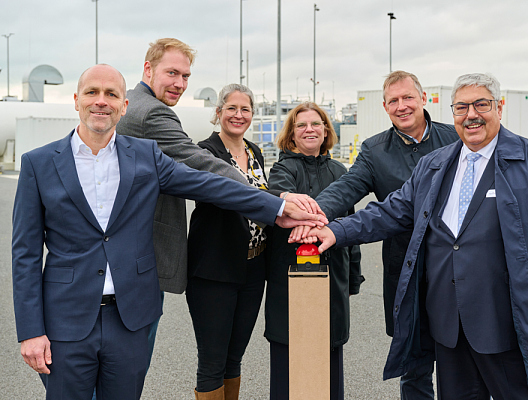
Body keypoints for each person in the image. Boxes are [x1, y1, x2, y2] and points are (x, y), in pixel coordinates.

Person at [12, 64, 325, 400]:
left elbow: (210, 184)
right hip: (66, 323)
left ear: (124, 106)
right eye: (92, 92)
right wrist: (31, 331)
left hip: (129, 321)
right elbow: (26, 255)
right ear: (76, 100)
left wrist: (276, 207)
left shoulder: (146, 156)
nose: (101, 102)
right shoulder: (39, 164)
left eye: (111, 94)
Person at [300, 73, 528, 398]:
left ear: (499, 107)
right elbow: (392, 211)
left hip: (506, 324)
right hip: (449, 325)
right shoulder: (436, 164)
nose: (471, 114)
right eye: (461, 107)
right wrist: (334, 229)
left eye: (481, 104)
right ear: (453, 112)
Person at [115, 38, 315, 372]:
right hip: (147, 258)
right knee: (126, 367)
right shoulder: (151, 113)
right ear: (148, 69)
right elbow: (203, 165)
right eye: (172, 73)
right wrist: (274, 203)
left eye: (186, 76)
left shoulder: (254, 150)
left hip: (234, 265)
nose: (180, 83)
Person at [303, 70, 458, 399]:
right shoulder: (375, 150)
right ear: (385, 107)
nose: (402, 106)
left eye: (407, 98)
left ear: (423, 98)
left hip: (455, 270)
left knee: (458, 365)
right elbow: (346, 188)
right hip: (406, 270)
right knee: (414, 366)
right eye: (393, 101)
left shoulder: (455, 139)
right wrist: (312, 213)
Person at [186, 84, 304, 399]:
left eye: (245, 109)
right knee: (212, 360)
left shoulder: (255, 152)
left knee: (234, 356)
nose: (239, 115)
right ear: (218, 112)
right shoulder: (204, 152)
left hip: (253, 268)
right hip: (214, 270)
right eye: (232, 108)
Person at [265, 102, 363, 400]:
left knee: (328, 356)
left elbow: (351, 225)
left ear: (325, 131)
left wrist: (353, 278)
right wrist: (313, 217)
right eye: (302, 125)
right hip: (291, 279)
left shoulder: (340, 171)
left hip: (334, 277)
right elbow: (283, 205)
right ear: (291, 135)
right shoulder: (282, 169)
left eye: (316, 124)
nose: (310, 129)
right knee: (289, 355)